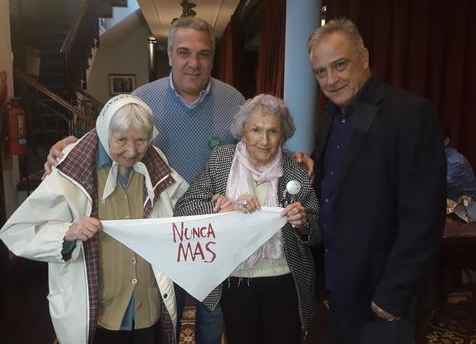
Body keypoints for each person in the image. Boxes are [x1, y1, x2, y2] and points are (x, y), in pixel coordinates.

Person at [44, 17, 314, 344]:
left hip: (214, 242)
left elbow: (259, 142)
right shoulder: (143, 98)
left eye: (203, 54)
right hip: (161, 236)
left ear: (212, 58)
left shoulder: (233, 101)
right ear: (169, 54)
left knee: (211, 323)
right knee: (164, 322)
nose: (193, 63)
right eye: (184, 52)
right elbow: (112, 138)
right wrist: (67, 150)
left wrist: (293, 157)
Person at [0, 94, 188, 344]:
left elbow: (185, 209)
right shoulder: (70, 166)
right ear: (104, 133)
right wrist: (68, 233)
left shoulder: (156, 162)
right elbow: (17, 231)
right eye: (121, 140)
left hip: (148, 305)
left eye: (141, 141)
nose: (132, 151)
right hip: (98, 311)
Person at [308, 18, 446, 343]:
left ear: (365, 58)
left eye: (339, 65)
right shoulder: (330, 114)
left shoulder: (411, 114)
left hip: (381, 294)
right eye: (320, 71)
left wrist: (393, 292)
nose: (330, 79)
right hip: (338, 288)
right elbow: (333, 186)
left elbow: (424, 216)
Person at [174, 94, 320, 344]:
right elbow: (184, 209)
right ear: (243, 132)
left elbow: (317, 231)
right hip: (236, 279)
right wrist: (222, 209)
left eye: (273, 131)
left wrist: (303, 223)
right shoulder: (222, 160)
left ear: (283, 135)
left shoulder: (294, 166)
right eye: (256, 130)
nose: (264, 140)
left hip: (285, 277)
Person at [443, 128, 476, 202]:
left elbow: (434, 187)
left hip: (466, 207)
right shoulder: (434, 156)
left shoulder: (455, 162)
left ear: (446, 141)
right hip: (448, 201)